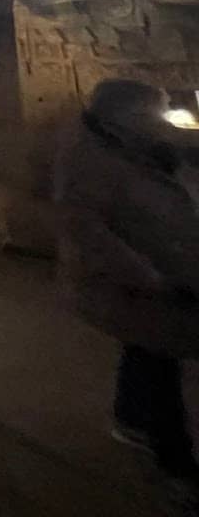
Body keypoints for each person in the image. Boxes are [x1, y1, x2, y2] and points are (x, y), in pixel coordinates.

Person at [57, 80, 199, 508]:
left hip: (163, 270)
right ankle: (176, 466)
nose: (159, 121)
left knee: (149, 350)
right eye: (149, 114)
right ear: (120, 118)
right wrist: (147, 276)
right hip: (136, 282)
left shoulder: (136, 143)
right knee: (161, 362)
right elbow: (87, 232)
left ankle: (130, 417)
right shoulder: (88, 161)